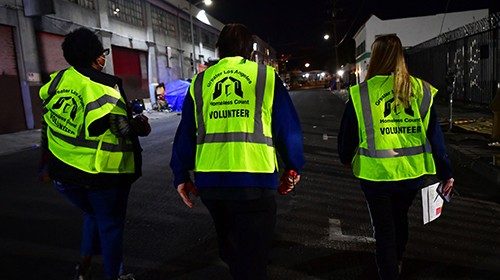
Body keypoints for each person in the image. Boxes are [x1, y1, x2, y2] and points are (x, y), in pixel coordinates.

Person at [170, 23, 304, 280]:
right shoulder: (265, 77)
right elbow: (287, 128)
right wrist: (293, 166)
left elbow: (186, 131)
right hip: (255, 181)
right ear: (249, 51)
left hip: (212, 184)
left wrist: (181, 176)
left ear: (219, 49)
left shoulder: (200, 82)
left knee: (231, 249)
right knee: (254, 256)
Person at [337, 34, 454, 280]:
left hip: (375, 175)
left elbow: (347, 136)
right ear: (401, 56)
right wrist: (446, 173)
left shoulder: (361, 93)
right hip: (412, 174)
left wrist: (345, 157)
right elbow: (435, 134)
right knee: (399, 219)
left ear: (375, 58)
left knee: (384, 229)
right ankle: (397, 260)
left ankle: (390, 272)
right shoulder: (420, 89)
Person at [39, 27, 150, 280]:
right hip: (101, 174)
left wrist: (44, 165)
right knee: (110, 226)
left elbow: (47, 124)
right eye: (102, 53)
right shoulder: (104, 86)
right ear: (94, 56)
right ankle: (115, 276)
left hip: (63, 174)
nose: (104, 58)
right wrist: (139, 125)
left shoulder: (56, 80)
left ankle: (84, 267)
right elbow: (121, 128)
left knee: (92, 215)